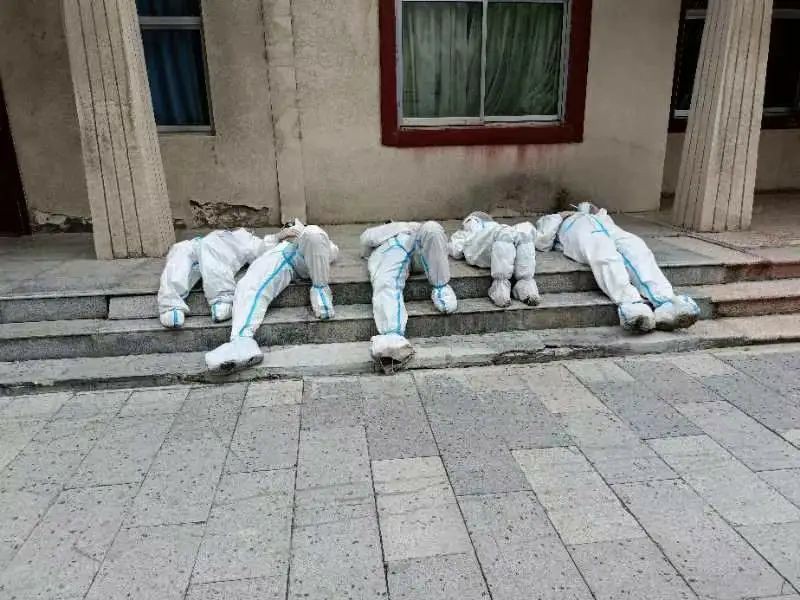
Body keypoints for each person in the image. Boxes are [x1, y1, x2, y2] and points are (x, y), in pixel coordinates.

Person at [535, 203, 700, 332]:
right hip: (578, 231)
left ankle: (667, 303)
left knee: (636, 247)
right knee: (603, 252)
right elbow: (542, 241)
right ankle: (632, 305)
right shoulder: (558, 219)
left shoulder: (598, 216)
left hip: (609, 229)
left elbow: (605, 217)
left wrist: (594, 211)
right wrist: (562, 216)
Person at [205, 220, 338, 372]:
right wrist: (278, 237)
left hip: (305, 256)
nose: (290, 229)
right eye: (287, 227)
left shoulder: (313, 236)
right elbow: (258, 250)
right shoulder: (272, 245)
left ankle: (321, 292)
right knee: (249, 284)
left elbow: (330, 251)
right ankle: (242, 342)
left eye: (292, 227)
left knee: (314, 234)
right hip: (279, 258)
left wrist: (302, 234)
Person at [361, 221, 457, 372]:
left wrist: (410, 228)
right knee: (386, 281)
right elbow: (367, 240)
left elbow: (442, 244)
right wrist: (396, 229)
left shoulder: (416, 227)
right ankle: (392, 337)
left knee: (432, 228)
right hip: (392, 249)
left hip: (419, 248)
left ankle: (442, 288)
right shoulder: (383, 232)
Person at [157, 229, 266, 329]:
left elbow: (262, 250)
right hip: (195, 244)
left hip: (216, 247)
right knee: (180, 252)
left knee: (211, 249)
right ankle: (170, 303)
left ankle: (222, 298)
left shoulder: (244, 238)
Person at [448, 211, 540, 307]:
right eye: (471, 219)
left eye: (477, 219)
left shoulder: (496, 228)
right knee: (504, 232)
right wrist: (462, 241)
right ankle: (499, 288)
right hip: (477, 249)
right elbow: (456, 250)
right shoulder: (462, 233)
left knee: (525, 230)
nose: (475, 220)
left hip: (499, 246)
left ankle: (525, 284)